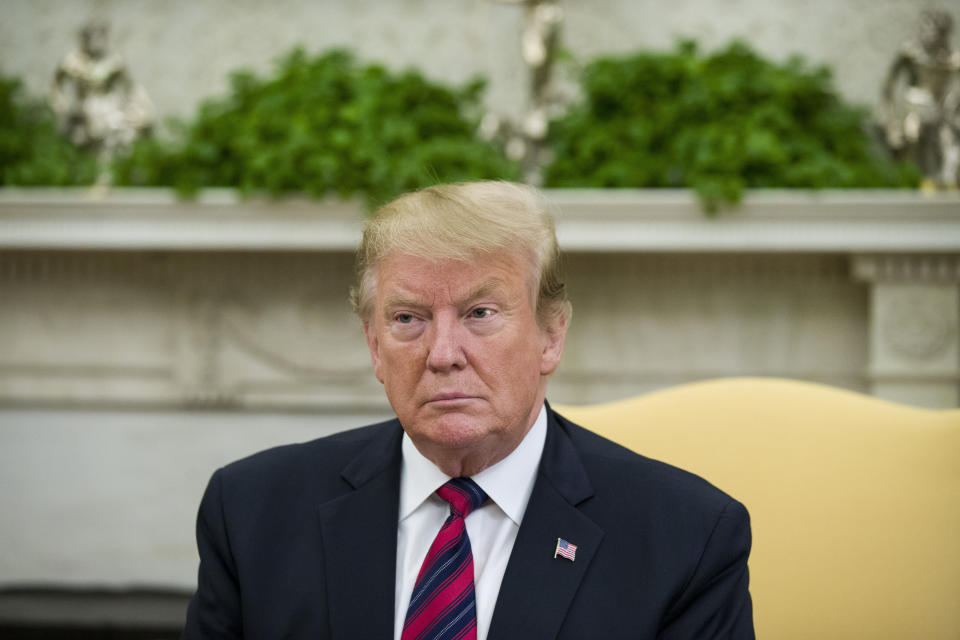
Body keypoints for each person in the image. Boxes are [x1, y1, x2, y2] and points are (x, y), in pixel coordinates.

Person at [182, 181, 754, 639]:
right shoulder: (254, 511)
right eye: (408, 318)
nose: (443, 354)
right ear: (375, 347)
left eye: (480, 313)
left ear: (551, 336)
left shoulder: (686, 537)